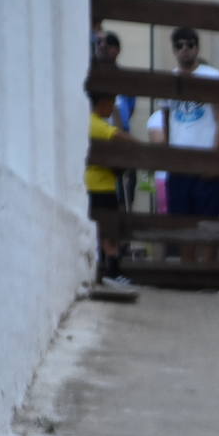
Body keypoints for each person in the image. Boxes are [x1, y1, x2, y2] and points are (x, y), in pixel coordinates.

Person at [161, 27, 219, 260]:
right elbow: (166, 119)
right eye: (179, 45)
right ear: (174, 50)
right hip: (179, 163)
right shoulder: (169, 79)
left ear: (197, 48)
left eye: (189, 44)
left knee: (208, 222)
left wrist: (214, 158)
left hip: (205, 159)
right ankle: (187, 272)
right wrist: (168, 156)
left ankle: (206, 274)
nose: (185, 49)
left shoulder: (213, 76)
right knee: (182, 223)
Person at [87, 90, 136, 288]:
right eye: (112, 102)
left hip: (92, 185)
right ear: (103, 102)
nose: (114, 106)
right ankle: (113, 272)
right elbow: (122, 138)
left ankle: (102, 270)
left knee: (100, 230)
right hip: (102, 186)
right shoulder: (97, 124)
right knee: (110, 232)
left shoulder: (90, 122)